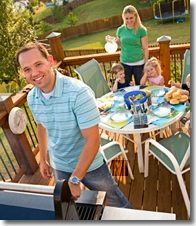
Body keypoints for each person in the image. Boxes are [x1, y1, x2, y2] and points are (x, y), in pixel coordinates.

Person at [16, 42, 132, 209]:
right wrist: (42, 159)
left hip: (91, 164)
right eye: (27, 69)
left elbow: (92, 141)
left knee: (115, 200)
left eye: (38, 64)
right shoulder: (32, 98)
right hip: (59, 165)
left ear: (50, 60)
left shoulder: (79, 93)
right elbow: (41, 127)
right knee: (68, 207)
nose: (34, 73)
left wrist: (76, 178)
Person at [106, 5, 149, 85]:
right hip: (125, 64)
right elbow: (117, 43)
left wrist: (146, 64)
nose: (129, 20)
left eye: (131, 18)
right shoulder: (120, 30)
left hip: (139, 64)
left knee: (140, 86)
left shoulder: (141, 30)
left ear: (135, 16)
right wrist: (110, 42)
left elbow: (145, 48)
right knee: (125, 87)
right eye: (127, 18)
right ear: (123, 18)